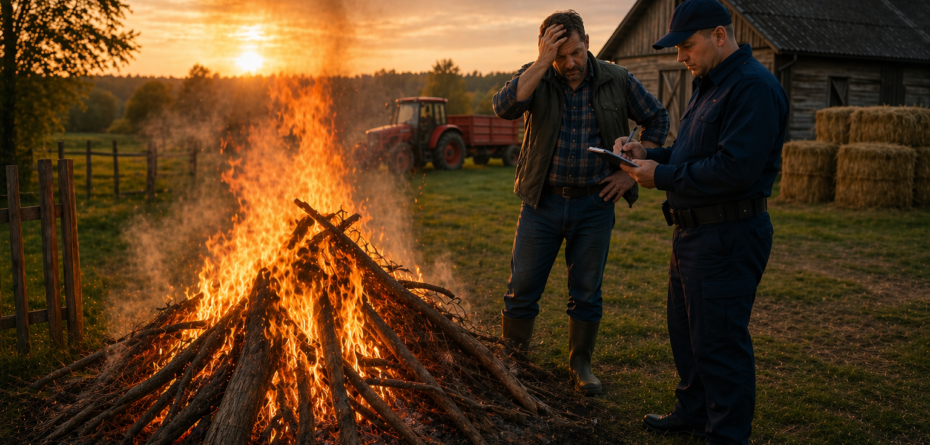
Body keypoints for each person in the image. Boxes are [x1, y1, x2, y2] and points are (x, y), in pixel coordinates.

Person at [616, 0, 787, 442]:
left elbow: (735, 169)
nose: (680, 57)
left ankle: (726, 435)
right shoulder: (708, 84)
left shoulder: (753, 88)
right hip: (693, 231)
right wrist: (647, 155)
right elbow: (692, 154)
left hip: (728, 235)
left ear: (718, 35)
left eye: (686, 46)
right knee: (688, 333)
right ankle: (693, 412)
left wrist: (663, 176)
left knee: (719, 344)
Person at [493, 10, 669, 395]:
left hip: (594, 204)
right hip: (542, 203)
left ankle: (580, 365)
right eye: (559, 56)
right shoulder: (536, 75)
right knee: (521, 288)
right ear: (545, 52)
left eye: (575, 52)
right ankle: (514, 362)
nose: (569, 64)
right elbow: (503, 108)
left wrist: (629, 172)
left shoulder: (617, 79)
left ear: (588, 43)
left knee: (587, 291)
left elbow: (657, 119)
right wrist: (541, 62)